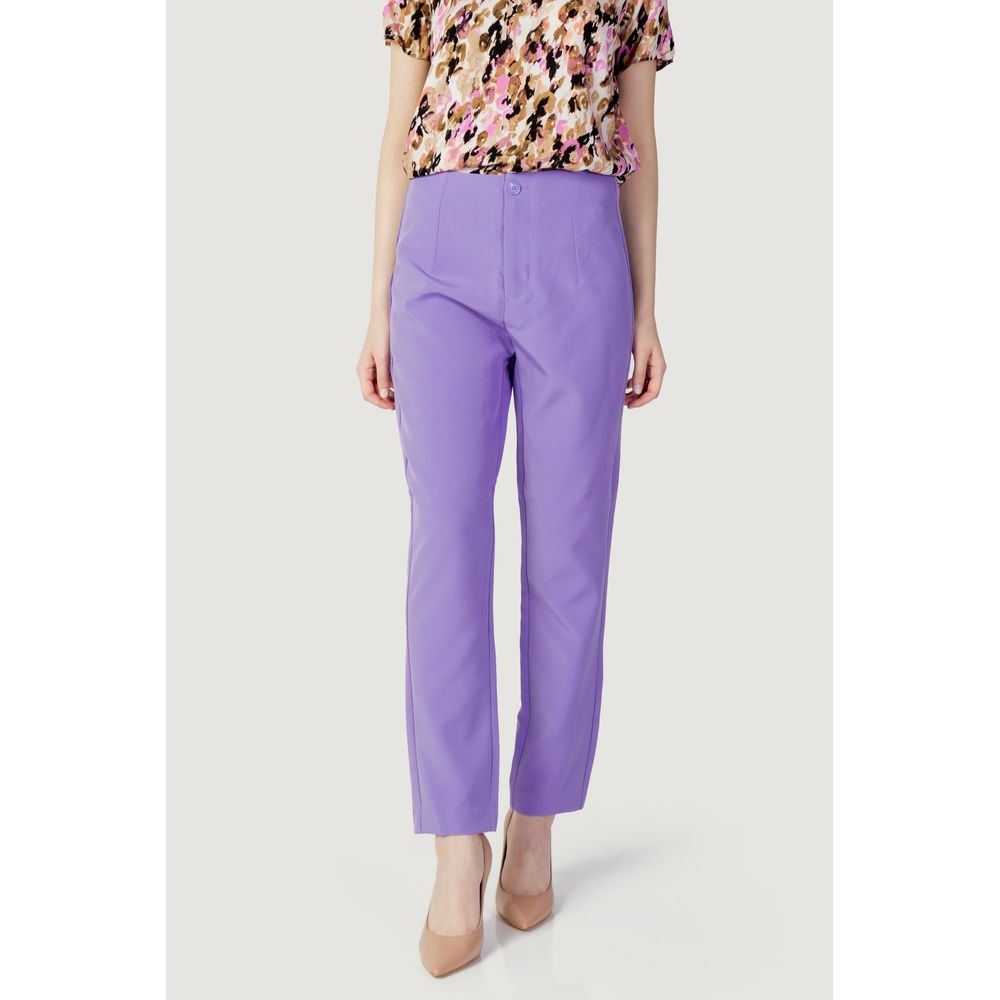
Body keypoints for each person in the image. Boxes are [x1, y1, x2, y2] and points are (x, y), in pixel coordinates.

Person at [358, 0, 674, 977]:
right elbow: (399, 129)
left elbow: (636, 142)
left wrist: (648, 309)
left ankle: (534, 821)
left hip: (579, 251)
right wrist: (375, 306)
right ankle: (458, 847)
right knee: (445, 550)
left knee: (570, 556)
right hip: (439, 253)